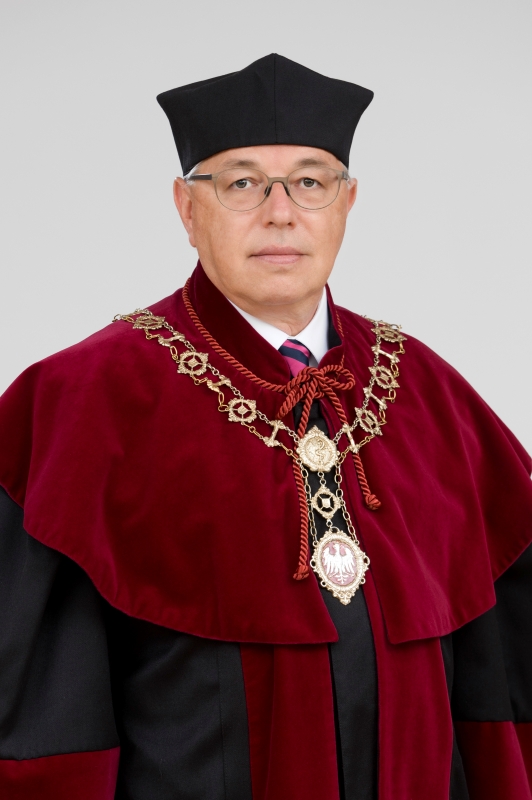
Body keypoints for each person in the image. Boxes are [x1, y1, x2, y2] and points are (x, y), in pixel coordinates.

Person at [0, 53, 531, 800]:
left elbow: (499, 688)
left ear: (347, 203)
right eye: (242, 183)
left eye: (310, 182)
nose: (281, 212)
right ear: (187, 208)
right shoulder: (79, 402)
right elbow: (46, 721)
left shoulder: (431, 393)